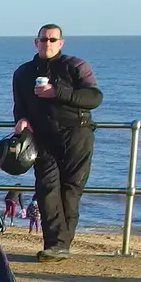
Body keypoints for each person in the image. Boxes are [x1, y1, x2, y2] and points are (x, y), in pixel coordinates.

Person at [13, 24, 102, 261]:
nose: (48, 43)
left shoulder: (76, 66)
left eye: (53, 40)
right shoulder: (23, 73)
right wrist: (21, 120)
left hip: (77, 134)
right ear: (36, 42)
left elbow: (94, 98)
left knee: (71, 189)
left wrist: (58, 92)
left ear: (61, 43)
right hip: (42, 138)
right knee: (47, 189)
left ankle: (62, 244)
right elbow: (19, 106)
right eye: (44, 39)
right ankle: (55, 244)